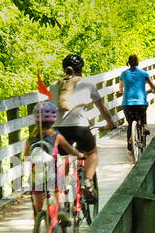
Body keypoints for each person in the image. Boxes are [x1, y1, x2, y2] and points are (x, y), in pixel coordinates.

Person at [49, 53, 117, 191]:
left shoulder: (53, 85)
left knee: (64, 155)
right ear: (81, 69)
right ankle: (87, 181)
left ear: (64, 69)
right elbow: (102, 107)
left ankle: (63, 184)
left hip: (57, 130)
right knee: (91, 153)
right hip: (80, 128)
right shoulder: (87, 84)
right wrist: (110, 123)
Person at [25, 100, 84, 219]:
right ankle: (61, 210)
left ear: (36, 121)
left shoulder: (30, 139)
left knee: (38, 207)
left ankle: (40, 231)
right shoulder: (57, 136)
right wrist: (80, 155)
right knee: (59, 189)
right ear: (54, 120)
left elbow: (26, 157)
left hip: (36, 176)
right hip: (53, 175)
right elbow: (70, 150)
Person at [118, 54, 155, 151]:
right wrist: (154, 90)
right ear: (137, 62)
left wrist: (121, 91)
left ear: (128, 63)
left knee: (130, 123)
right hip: (140, 103)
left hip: (127, 104)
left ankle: (129, 144)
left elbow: (120, 89)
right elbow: (152, 86)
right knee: (142, 113)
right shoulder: (143, 73)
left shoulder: (123, 74)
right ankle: (144, 125)